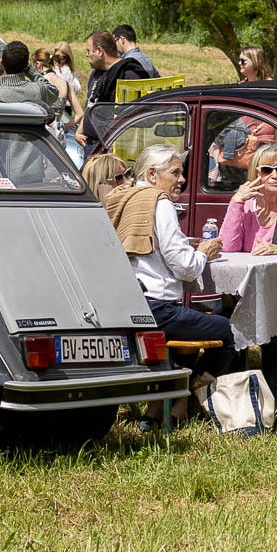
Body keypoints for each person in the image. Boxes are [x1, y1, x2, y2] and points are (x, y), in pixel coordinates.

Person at [102, 147, 236, 385]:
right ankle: (190, 394)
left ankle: (166, 402)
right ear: (152, 174)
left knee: (200, 322)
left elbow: (143, 242)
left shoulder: (129, 197)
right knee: (231, 331)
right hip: (159, 310)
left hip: (127, 307)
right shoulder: (160, 202)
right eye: (175, 173)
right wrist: (203, 253)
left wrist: (184, 242)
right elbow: (183, 266)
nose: (182, 180)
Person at [0, 41, 59, 109]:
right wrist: (31, 71)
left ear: (1, 63)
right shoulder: (39, 89)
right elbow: (54, 91)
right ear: (26, 65)